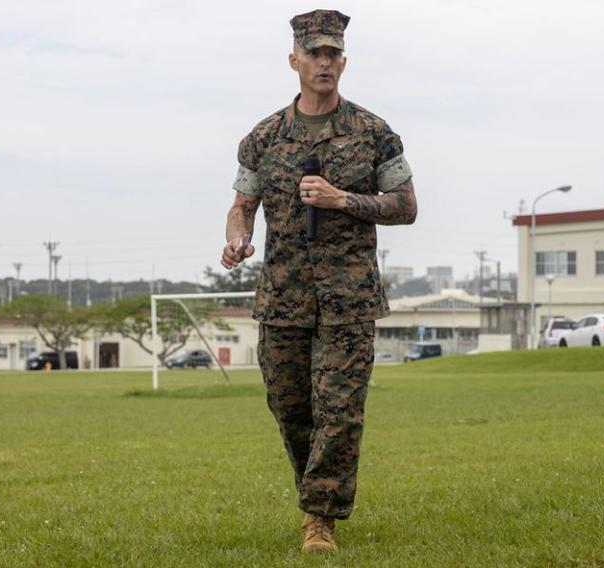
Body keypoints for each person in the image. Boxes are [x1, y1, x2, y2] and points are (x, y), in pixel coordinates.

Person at [220, 9, 417, 553]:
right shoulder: (261, 138)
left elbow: (406, 206)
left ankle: (319, 518)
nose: (324, 62)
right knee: (291, 409)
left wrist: (343, 200)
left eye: (333, 54)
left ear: (344, 62)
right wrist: (238, 238)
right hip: (282, 297)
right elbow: (241, 206)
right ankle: (317, 493)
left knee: (339, 410)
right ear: (295, 61)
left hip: (348, 299)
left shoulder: (375, 133)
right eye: (315, 53)